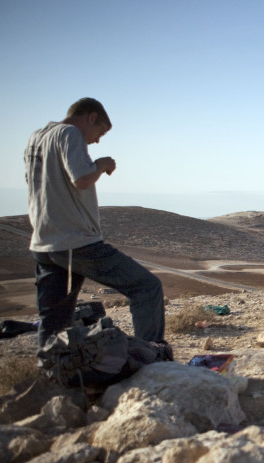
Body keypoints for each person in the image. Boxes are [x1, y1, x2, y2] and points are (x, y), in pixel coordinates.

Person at [24, 98, 166, 351]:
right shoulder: (69, 133)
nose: (97, 140)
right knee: (146, 287)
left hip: (44, 243)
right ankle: (152, 357)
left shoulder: (37, 136)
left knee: (54, 319)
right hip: (76, 241)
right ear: (91, 117)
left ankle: (53, 371)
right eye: (100, 132)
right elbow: (81, 179)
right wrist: (101, 165)